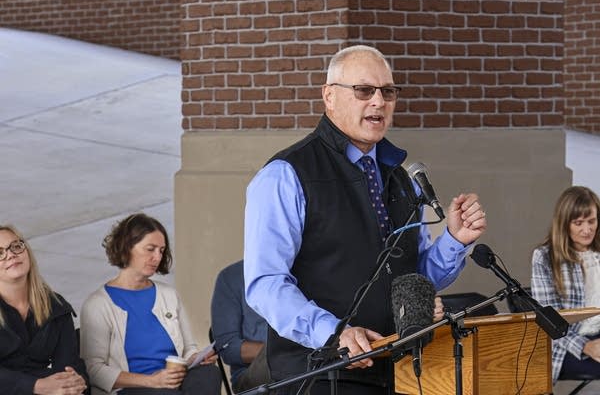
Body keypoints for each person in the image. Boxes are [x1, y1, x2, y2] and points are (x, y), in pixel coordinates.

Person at [243, 45, 487, 395]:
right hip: (321, 373)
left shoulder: (399, 178)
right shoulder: (286, 175)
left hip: (399, 372)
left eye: (388, 91)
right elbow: (265, 284)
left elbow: (412, 280)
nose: (379, 101)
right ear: (329, 96)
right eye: (364, 90)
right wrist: (333, 334)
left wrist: (455, 239)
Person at [80, 213, 221, 395]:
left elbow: (188, 349)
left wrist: (196, 358)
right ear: (127, 247)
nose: (157, 257)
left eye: (161, 251)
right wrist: (152, 381)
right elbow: (93, 370)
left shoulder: (169, 295)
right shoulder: (97, 304)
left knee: (209, 374)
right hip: (131, 389)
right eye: (150, 249)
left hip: (173, 384)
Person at [0, 225, 89, 395]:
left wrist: (75, 383)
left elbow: (69, 366)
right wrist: (36, 385)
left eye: (16, 246)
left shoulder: (55, 305)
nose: (11, 255)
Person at [531, 186, 600, 384]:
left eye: (592, 221)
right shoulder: (544, 257)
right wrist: (586, 347)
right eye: (578, 223)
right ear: (564, 224)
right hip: (567, 343)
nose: (587, 230)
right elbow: (549, 321)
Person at [210, 260, 270, 392]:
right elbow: (228, 348)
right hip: (251, 374)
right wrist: (279, 352)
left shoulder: (305, 270)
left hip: (309, 364)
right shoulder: (231, 276)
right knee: (284, 363)